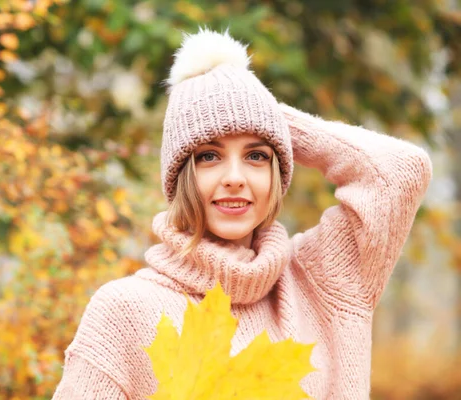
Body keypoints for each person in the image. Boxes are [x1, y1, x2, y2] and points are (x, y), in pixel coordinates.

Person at [52, 28, 432, 399]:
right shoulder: (124, 311)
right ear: (181, 175)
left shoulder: (325, 280)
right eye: (209, 156)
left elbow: (400, 170)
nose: (234, 178)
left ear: (276, 174)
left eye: (256, 156)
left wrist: (269, 115)